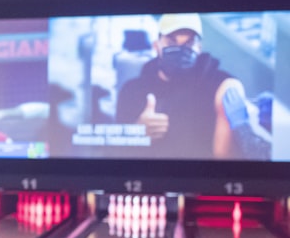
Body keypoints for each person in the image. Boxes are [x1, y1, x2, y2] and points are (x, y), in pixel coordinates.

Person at [116, 13, 271, 160]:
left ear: (199, 47)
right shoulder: (131, 90)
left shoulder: (221, 86)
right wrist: (137, 134)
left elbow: (225, 163)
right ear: (156, 45)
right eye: (172, 41)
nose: (181, 49)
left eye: (190, 42)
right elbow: (113, 154)